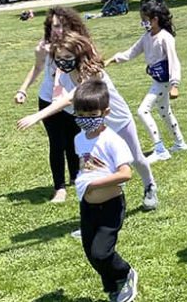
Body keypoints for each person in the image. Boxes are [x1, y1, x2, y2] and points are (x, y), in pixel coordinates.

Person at [17, 31, 159, 211]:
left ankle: (150, 187)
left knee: (136, 158)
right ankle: (100, 207)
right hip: (94, 124)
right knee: (97, 164)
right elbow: (62, 99)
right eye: (59, 57)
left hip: (117, 119)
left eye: (67, 57)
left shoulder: (92, 71)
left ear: (77, 54)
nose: (62, 61)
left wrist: (37, 116)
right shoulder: (64, 74)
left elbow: (71, 97)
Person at [70, 79, 140, 302]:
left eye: (92, 115)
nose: (86, 120)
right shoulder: (78, 139)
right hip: (88, 207)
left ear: (105, 112)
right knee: (91, 254)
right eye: (80, 114)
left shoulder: (112, 140)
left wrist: (93, 184)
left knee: (102, 252)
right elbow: (85, 167)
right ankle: (113, 286)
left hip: (110, 206)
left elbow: (125, 174)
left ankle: (125, 273)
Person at [16, 7, 89, 203]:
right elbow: (37, 68)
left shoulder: (78, 45)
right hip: (49, 99)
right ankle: (59, 188)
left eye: (64, 25)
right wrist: (23, 89)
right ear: (49, 27)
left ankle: (76, 175)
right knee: (57, 143)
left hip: (73, 99)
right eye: (56, 26)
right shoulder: (43, 48)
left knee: (74, 139)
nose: (60, 30)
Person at [106, 0, 187, 163]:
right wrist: (111, 60)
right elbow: (131, 53)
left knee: (142, 111)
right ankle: (180, 143)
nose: (143, 22)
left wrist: (174, 84)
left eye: (145, 19)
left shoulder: (165, 38)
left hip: (163, 82)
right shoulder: (146, 37)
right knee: (165, 112)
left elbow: (174, 61)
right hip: (157, 80)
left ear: (155, 19)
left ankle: (160, 149)